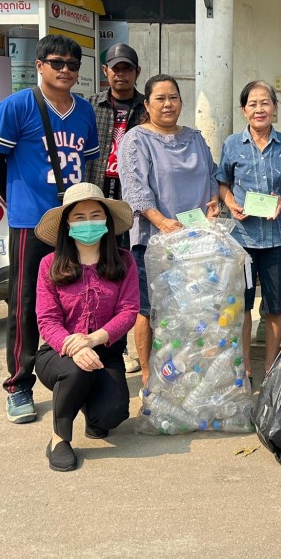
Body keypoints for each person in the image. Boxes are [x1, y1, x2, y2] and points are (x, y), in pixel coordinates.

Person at [0, 34, 99, 424]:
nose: (65, 70)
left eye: (72, 64)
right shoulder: (16, 106)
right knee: (26, 303)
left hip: (74, 222)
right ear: (39, 65)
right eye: (57, 62)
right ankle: (18, 384)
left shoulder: (84, 112)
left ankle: (77, 374)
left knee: (80, 297)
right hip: (32, 222)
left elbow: (90, 164)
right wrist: (18, 200)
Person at [117, 74, 220, 390]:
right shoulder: (136, 139)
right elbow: (134, 187)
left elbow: (212, 175)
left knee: (192, 309)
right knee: (149, 309)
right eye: (159, 98)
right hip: (154, 240)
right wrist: (160, 221)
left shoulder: (195, 138)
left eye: (173, 97)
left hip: (195, 239)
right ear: (146, 104)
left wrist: (214, 201)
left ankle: (188, 370)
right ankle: (149, 376)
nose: (167, 104)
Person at [33, 183, 139, 472]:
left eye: (95, 215)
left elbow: (129, 311)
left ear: (106, 220)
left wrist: (91, 340)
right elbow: (47, 320)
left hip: (104, 352)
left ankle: (89, 406)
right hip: (59, 354)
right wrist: (74, 346)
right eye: (79, 217)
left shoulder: (124, 261)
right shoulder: (49, 264)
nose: (88, 222)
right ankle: (59, 438)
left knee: (112, 415)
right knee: (76, 370)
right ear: (67, 223)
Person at [217, 80, 281, 372]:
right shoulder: (231, 144)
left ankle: (270, 367)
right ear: (244, 110)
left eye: (265, 102)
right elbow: (223, 184)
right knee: (242, 306)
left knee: (276, 307)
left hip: (277, 238)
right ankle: (245, 369)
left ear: (275, 108)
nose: (259, 109)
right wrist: (231, 204)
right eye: (252, 104)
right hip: (242, 239)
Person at [86, 43, 147, 374]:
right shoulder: (90, 107)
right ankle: (93, 339)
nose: (121, 73)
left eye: (127, 68)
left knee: (127, 273)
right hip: (96, 194)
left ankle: (124, 346)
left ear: (137, 72)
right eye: (115, 68)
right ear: (106, 72)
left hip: (131, 202)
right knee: (93, 270)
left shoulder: (147, 108)